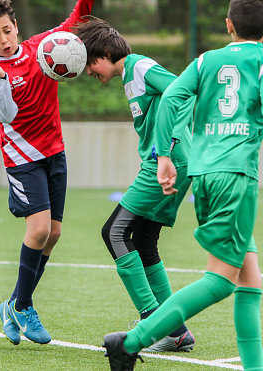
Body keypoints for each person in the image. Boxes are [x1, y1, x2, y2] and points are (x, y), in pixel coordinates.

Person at [103, 0, 263, 369]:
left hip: (206, 176)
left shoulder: (207, 61)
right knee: (222, 281)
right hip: (236, 178)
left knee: (250, 280)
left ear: (228, 25)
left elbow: (174, 96)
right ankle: (132, 342)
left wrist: (161, 156)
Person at [0, 0, 94, 345]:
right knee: (38, 229)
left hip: (55, 152)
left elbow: (76, 18)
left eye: (7, 30)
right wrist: (2, 78)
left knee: (53, 234)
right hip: (22, 157)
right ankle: (23, 306)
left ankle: (11, 304)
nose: (3, 40)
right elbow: (6, 115)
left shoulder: (43, 47)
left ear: (16, 26)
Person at [73, 16, 195, 352]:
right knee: (142, 238)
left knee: (113, 232)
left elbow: (181, 91)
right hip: (170, 162)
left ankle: (153, 322)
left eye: (91, 63)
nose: (88, 71)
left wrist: (166, 150)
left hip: (166, 162)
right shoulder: (130, 77)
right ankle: (176, 331)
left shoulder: (139, 66)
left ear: (108, 52)